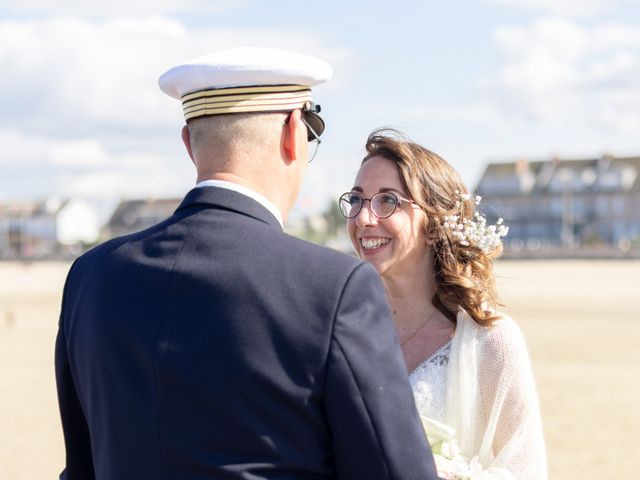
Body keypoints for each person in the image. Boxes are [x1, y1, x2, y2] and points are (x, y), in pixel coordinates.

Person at [55, 48, 439, 479]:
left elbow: (81, 467)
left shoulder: (90, 276)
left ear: (188, 143)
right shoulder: (334, 287)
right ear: (294, 133)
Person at [339, 128, 547, 479]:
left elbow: (527, 470)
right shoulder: (341, 332)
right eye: (357, 200)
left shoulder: (490, 342)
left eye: (387, 200)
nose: (363, 219)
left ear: (435, 226)